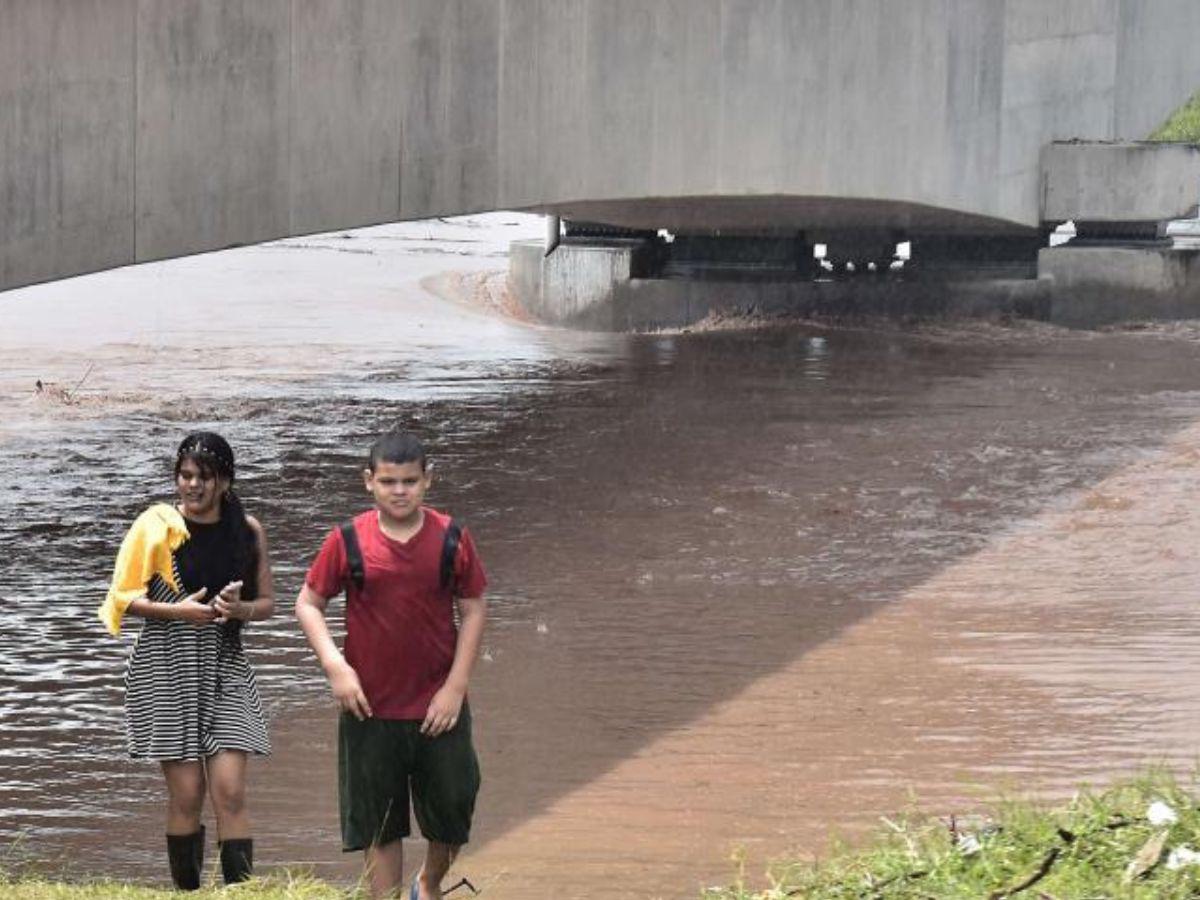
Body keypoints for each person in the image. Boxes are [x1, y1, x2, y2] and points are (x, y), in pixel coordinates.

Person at [296, 429, 488, 900]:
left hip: (437, 707)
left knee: (453, 811)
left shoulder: (452, 538)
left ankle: (428, 883)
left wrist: (456, 687)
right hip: (369, 709)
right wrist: (335, 668)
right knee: (380, 825)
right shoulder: (346, 541)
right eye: (388, 482)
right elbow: (308, 603)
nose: (399, 491)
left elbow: (475, 606)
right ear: (369, 482)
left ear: (428, 481)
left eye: (408, 481)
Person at [98, 432, 274, 889]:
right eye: (185, 475)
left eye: (204, 477)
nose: (192, 486)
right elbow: (121, 599)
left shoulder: (248, 530)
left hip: (226, 666)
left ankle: (241, 892)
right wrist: (177, 611)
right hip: (166, 667)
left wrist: (241, 611)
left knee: (230, 792)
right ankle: (188, 892)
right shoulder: (155, 526)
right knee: (188, 795)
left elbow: (269, 603)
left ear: (225, 481)